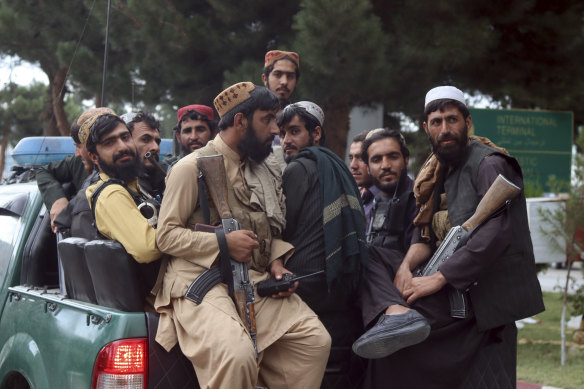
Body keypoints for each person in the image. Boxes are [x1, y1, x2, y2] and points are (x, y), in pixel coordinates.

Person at [352, 86, 545, 388]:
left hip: (475, 295)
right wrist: (404, 269)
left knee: (389, 351)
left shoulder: (489, 163)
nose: (445, 129)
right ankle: (396, 312)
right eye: (437, 122)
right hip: (446, 283)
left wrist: (439, 278)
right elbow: (423, 234)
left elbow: (495, 233)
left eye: (452, 120)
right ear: (426, 128)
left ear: (468, 123)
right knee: (368, 253)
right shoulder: (437, 171)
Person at [154, 82, 331, 389]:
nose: (276, 129)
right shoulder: (189, 168)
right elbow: (166, 236)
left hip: (250, 277)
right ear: (240, 122)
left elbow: (263, 228)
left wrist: (276, 261)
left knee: (313, 341)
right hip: (199, 281)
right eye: (267, 119)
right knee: (236, 355)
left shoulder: (262, 168)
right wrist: (222, 242)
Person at [278, 101, 368, 387]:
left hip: (304, 289)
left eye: (294, 131)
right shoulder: (339, 167)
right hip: (342, 284)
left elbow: (282, 229)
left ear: (316, 134)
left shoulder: (298, 169)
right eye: (282, 134)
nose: (286, 141)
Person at [83, 108, 161, 265]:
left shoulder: (133, 185)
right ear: (94, 157)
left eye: (125, 137)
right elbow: (147, 249)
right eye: (109, 143)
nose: (123, 147)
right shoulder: (112, 194)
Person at [361, 128, 416, 253]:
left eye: (393, 157)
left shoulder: (422, 200)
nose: (385, 165)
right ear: (368, 168)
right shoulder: (372, 204)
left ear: (406, 160)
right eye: (376, 160)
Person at [37, 121, 96, 233]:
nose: (76, 153)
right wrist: (57, 200)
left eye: (79, 146)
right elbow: (43, 171)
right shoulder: (78, 163)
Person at [121, 111, 166, 199]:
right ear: (125, 142)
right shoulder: (115, 188)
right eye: (145, 140)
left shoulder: (165, 177)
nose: (156, 147)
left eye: (157, 142)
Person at [162, 104, 216, 170]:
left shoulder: (226, 164)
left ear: (214, 135)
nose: (193, 137)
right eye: (187, 131)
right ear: (178, 137)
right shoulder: (167, 167)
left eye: (200, 130)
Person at [349, 131, 378, 227]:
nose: (353, 165)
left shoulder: (391, 197)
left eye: (360, 158)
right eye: (351, 158)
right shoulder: (352, 197)